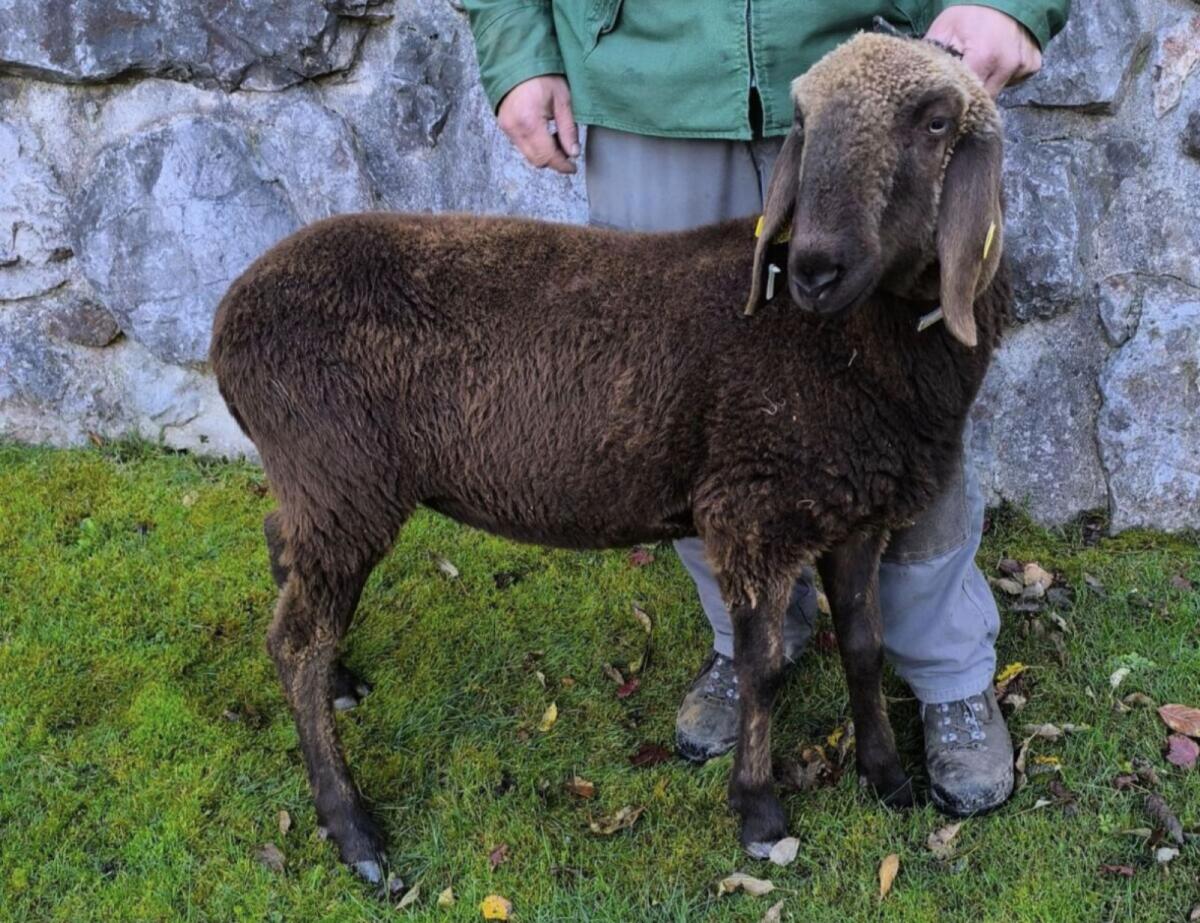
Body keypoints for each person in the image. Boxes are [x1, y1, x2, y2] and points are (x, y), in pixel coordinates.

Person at [464, 1, 1068, 817]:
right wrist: (517, 45)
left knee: (909, 389)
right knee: (673, 408)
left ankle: (947, 664)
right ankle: (744, 634)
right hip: (651, 79)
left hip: (870, 65)